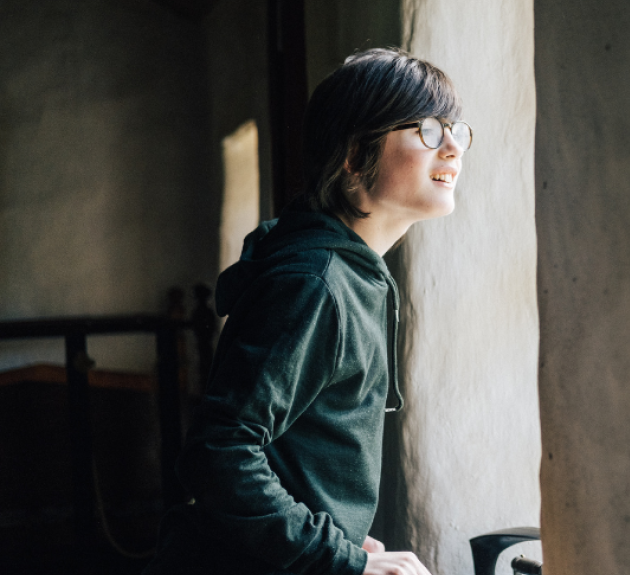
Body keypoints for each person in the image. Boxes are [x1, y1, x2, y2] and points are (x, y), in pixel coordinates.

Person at [143, 47, 472, 575]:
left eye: (456, 127)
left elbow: (293, 453)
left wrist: (340, 539)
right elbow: (219, 454)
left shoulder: (351, 272)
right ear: (353, 155)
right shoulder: (314, 283)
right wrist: (341, 560)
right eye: (429, 129)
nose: (453, 146)